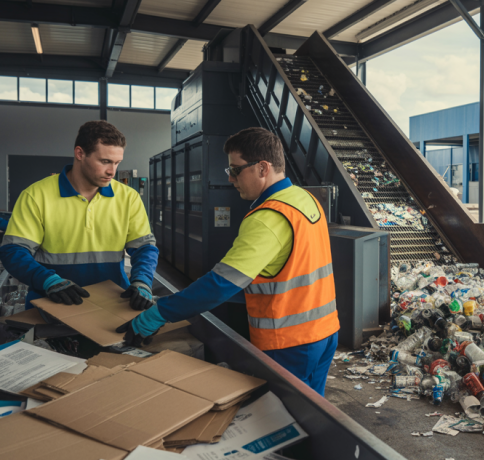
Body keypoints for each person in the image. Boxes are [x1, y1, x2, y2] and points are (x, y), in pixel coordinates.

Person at [119, 128, 339, 396]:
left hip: (290, 341)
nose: (231, 179)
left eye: (235, 170)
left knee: (283, 415)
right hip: (325, 331)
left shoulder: (268, 217)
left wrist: (160, 313)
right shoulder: (303, 198)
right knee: (313, 414)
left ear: (262, 168)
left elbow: (219, 285)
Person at [0, 121, 157, 312]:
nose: (112, 171)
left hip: (111, 306)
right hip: (51, 306)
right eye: (105, 161)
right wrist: (47, 280)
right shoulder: (36, 195)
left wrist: (142, 281)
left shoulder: (128, 197)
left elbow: (144, 247)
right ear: (80, 153)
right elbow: (14, 250)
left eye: (117, 163)